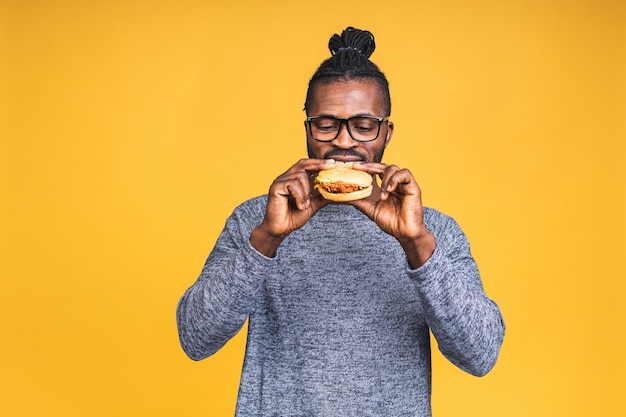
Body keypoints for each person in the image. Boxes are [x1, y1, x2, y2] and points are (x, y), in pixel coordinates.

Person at [176, 26, 505, 416]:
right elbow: (195, 339)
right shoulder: (257, 219)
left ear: (387, 132)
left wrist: (417, 246)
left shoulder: (433, 231)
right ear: (307, 130)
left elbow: (480, 354)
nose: (345, 142)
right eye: (326, 124)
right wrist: (265, 240)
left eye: (364, 126)